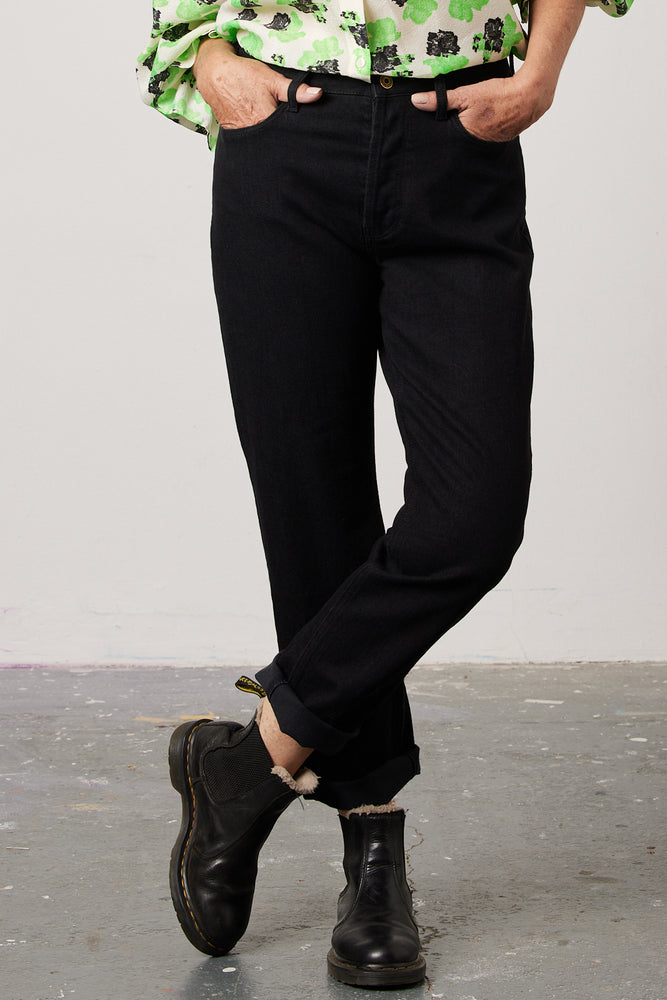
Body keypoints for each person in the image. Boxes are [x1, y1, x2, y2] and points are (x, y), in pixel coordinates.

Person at [138, 0, 634, 987]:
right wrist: (210, 60)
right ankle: (373, 856)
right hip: (287, 135)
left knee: (472, 515)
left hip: (457, 141)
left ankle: (247, 762)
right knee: (311, 504)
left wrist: (540, 71)